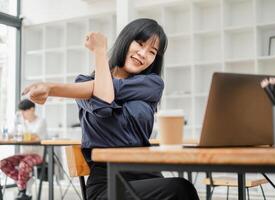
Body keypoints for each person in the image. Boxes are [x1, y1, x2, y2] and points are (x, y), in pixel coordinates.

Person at [22, 18, 199, 200]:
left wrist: (51, 87)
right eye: (140, 43)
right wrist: (100, 52)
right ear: (125, 39)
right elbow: (104, 103)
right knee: (180, 189)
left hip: (148, 175)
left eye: (152, 52)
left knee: (181, 188)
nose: (144, 53)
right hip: (108, 182)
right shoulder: (83, 84)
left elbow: (109, 90)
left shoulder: (152, 84)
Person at [0, 99, 47, 200]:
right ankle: (27, 181)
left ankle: (22, 191)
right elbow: (11, 134)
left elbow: (34, 136)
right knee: (2, 163)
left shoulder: (41, 121)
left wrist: (20, 129)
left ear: (32, 109)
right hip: (24, 154)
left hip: (37, 155)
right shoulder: (20, 122)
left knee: (23, 164)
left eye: (24, 111)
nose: (22, 114)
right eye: (21, 111)